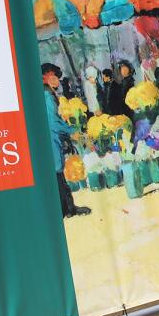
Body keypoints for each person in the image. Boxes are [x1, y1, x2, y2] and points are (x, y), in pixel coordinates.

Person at [41, 63, 90, 218]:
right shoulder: (47, 95)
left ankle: (67, 209)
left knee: (57, 175)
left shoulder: (46, 93)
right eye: (53, 77)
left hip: (49, 139)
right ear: (44, 78)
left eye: (57, 77)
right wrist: (72, 131)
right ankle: (68, 209)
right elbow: (53, 122)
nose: (57, 81)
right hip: (51, 138)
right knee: (57, 174)